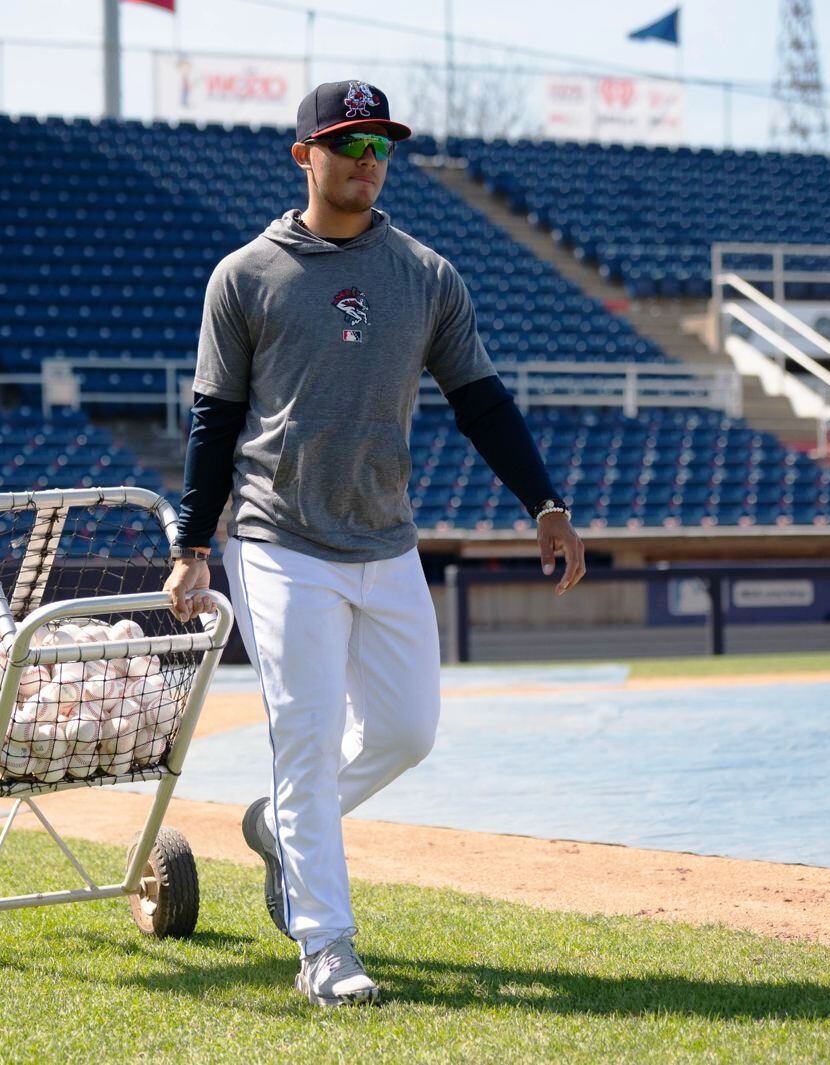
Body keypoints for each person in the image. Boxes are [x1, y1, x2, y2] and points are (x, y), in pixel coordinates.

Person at [162, 80, 585, 1007]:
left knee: (407, 731)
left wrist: (543, 501)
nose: (365, 159)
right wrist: (194, 545)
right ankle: (326, 944)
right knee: (307, 738)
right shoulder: (245, 276)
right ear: (304, 154)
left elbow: (480, 400)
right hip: (279, 539)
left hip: (386, 537)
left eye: (380, 145)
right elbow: (214, 419)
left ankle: (280, 825)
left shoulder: (427, 275)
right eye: (347, 142)